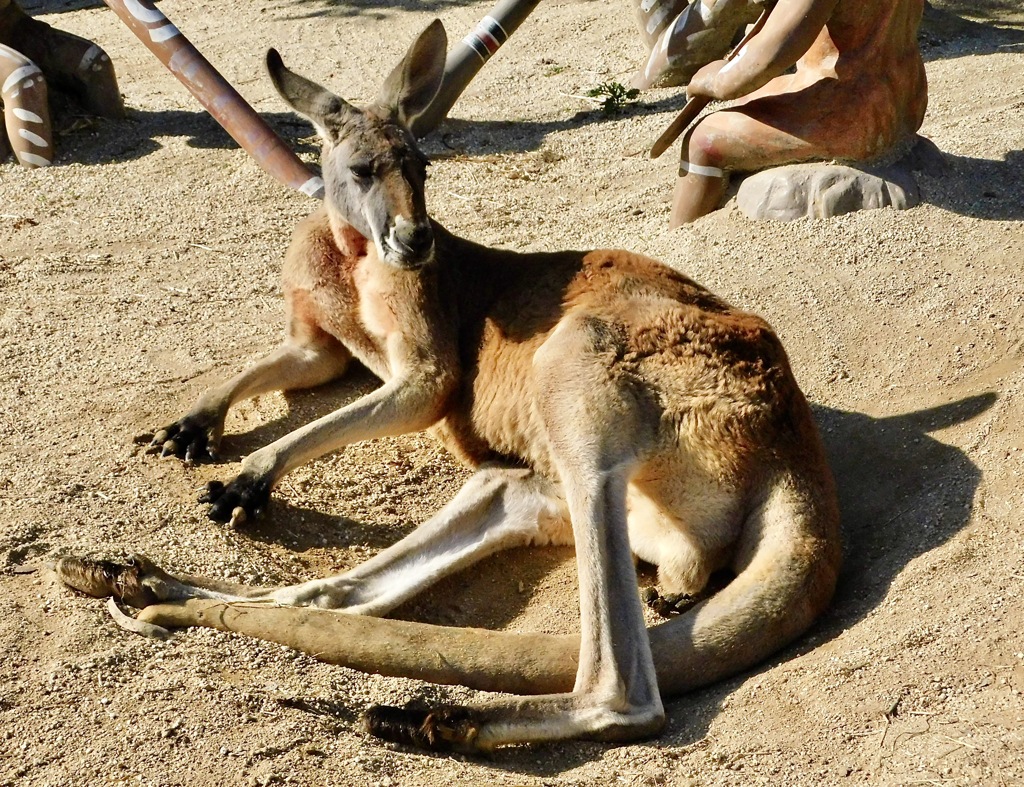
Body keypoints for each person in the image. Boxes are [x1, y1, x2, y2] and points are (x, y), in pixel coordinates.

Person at [633, 0, 927, 226]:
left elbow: (767, 56)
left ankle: (684, 243)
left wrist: (713, 79)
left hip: (849, 112)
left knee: (703, 141)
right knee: (751, 99)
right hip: (904, 94)